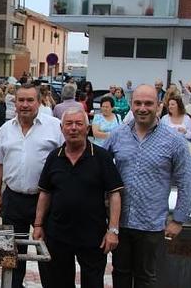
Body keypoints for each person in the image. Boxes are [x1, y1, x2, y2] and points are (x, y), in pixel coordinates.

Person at [104, 84, 191, 288]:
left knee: (146, 277)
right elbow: (98, 168)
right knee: (120, 273)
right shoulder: (118, 135)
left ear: (159, 106)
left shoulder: (174, 141)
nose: (142, 108)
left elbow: (187, 182)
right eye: (138, 103)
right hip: (121, 223)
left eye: (148, 103)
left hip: (151, 225)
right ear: (131, 105)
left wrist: (179, 220)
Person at [34, 108, 123, 288]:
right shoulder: (54, 157)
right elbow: (45, 193)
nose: (73, 128)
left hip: (93, 236)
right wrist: (38, 225)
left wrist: (113, 230)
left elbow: (115, 194)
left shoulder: (101, 157)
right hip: (58, 234)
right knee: (59, 282)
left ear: (88, 128)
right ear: (61, 128)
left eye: (79, 124)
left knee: (93, 283)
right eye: (69, 124)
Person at [0, 85, 64, 288]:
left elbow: (67, 160)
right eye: (20, 100)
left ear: (39, 102)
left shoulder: (55, 126)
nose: (25, 105)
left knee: (47, 252)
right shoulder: (5, 129)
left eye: (30, 100)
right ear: (15, 103)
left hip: (46, 200)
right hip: (13, 199)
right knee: (12, 252)